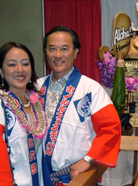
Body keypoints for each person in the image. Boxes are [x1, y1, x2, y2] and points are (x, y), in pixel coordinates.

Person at [37, 26, 122, 186]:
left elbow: (111, 128)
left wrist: (89, 159)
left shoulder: (90, 89)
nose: (57, 55)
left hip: (75, 177)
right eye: (52, 49)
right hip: (40, 176)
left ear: (76, 52)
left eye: (64, 49)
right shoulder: (35, 88)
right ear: (45, 52)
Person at [0, 41, 47, 186]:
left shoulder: (36, 104)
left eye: (25, 63)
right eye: (12, 64)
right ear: (0, 70)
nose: (20, 69)